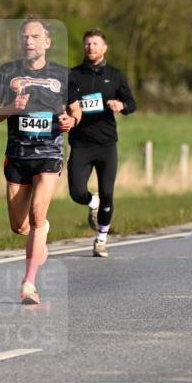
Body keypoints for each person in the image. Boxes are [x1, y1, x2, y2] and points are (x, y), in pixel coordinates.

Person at [0, 17, 81, 304]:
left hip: (49, 154)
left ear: (47, 42)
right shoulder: (7, 72)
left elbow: (76, 111)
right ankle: (39, 235)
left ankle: (29, 283)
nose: (29, 42)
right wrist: (10, 108)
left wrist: (71, 121)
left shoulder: (63, 75)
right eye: (25, 37)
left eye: (35, 37)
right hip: (17, 155)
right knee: (19, 226)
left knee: (38, 213)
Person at [67, 28, 137, 257]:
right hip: (81, 143)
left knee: (108, 191)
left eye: (95, 43)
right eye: (87, 43)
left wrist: (121, 106)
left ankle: (101, 238)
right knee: (77, 192)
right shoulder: (73, 75)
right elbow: (62, 102)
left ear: (104, 48)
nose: (91, 47)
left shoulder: (115, 75)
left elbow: (131, 103)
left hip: (106, 144)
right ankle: (91, 200)